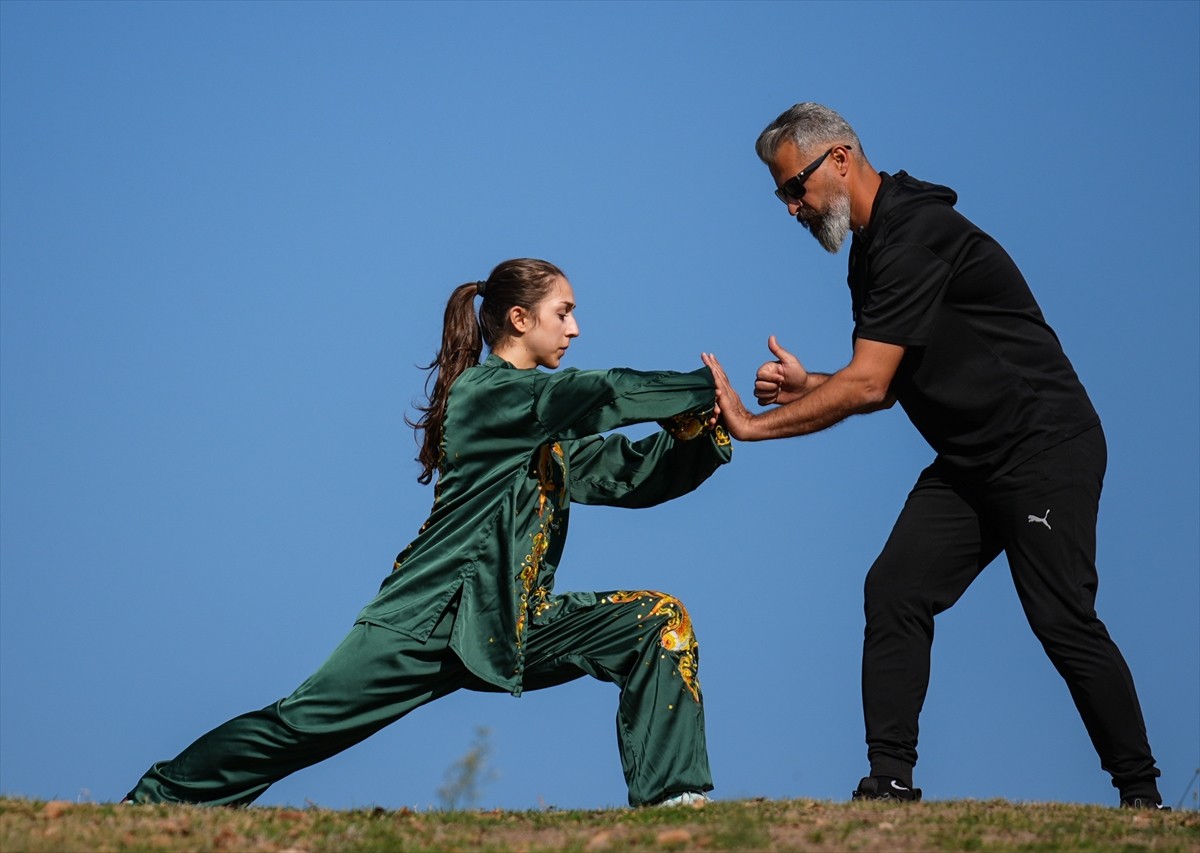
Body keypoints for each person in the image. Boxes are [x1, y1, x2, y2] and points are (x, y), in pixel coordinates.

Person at [125, 258, 732, 809]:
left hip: (512, 622)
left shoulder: (550, 425)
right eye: (564, 313)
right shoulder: (487, 394)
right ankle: (157, 802)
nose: (574, 330)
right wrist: (704, 388)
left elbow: (629, 476)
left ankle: (671, 800)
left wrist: (706, 428)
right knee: (299, 727)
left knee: (658, 620)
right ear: (520, 319)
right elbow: (602, 391)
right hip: (426, 617)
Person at [701, 103, 1167, 809]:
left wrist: (755, 426)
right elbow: (885, 379)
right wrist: (811, 384)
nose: (791, 207)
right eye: (781, 194)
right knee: (895, 588)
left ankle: (1144, 799)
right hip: (971, 460)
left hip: (1044, 447)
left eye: (794, 187)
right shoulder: (874, 246)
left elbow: (871, 384)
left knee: (1060, 615)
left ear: (841, 161)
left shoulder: (914, 236)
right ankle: (890, 783)